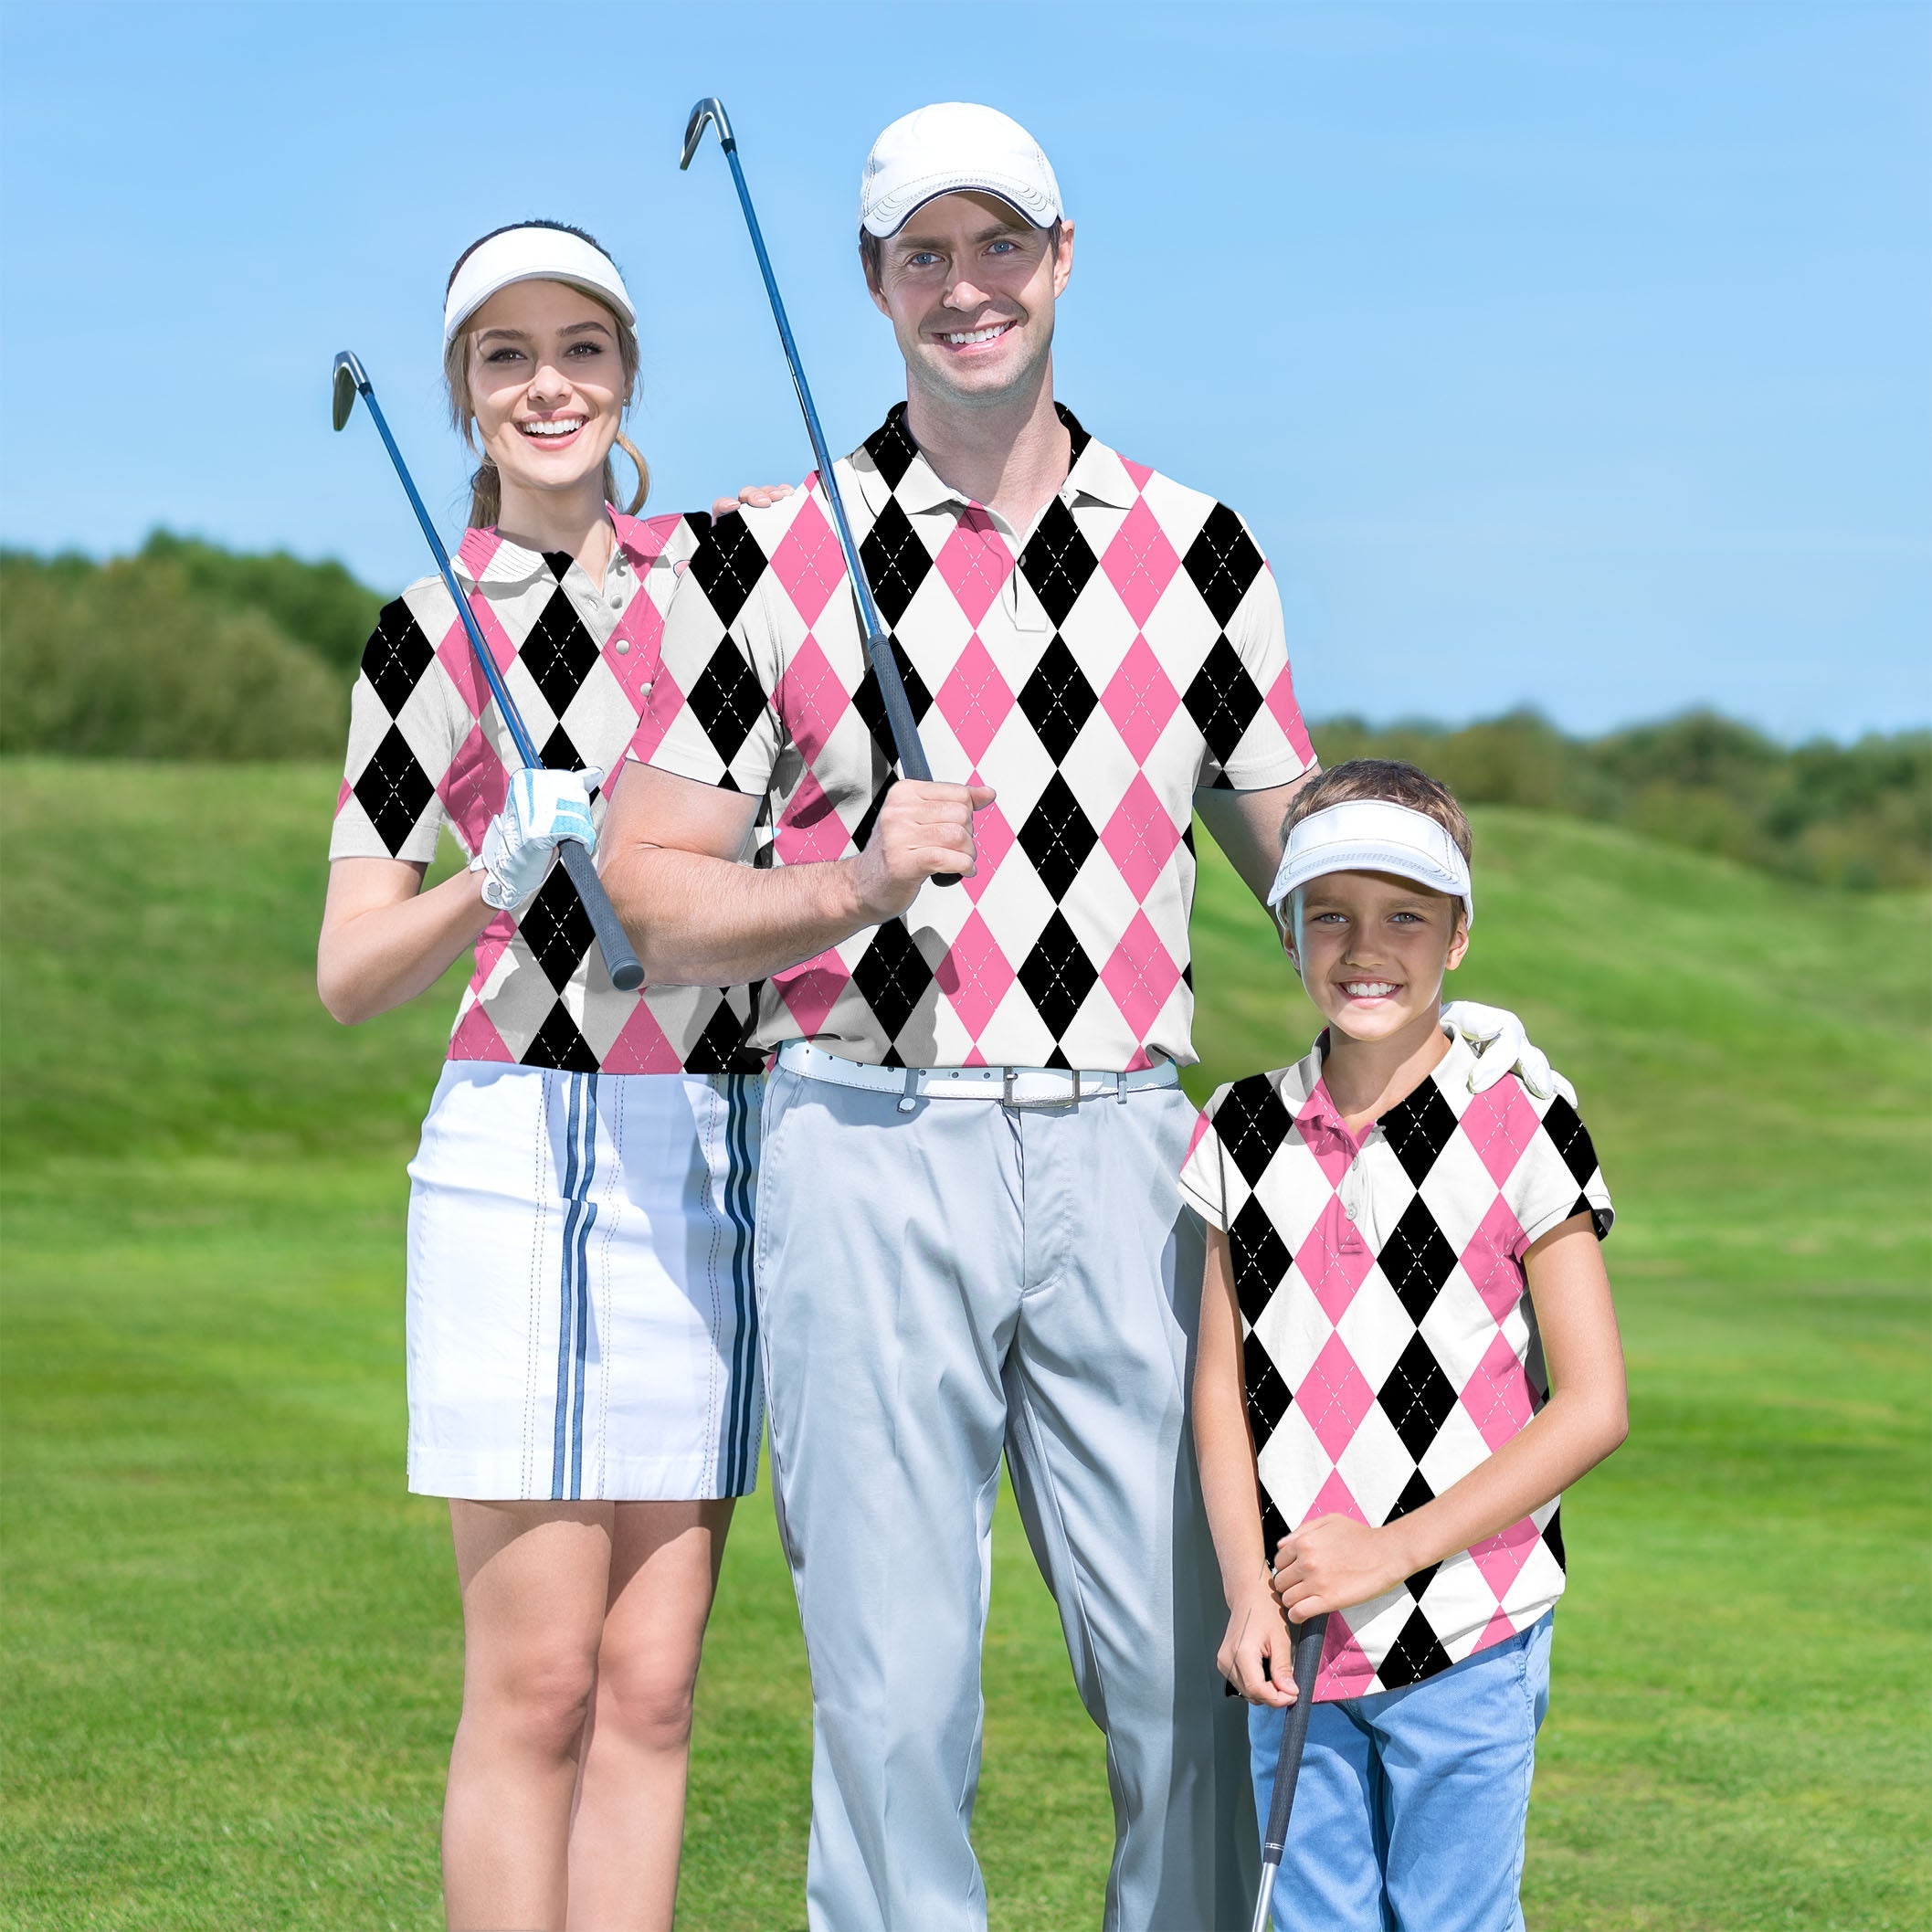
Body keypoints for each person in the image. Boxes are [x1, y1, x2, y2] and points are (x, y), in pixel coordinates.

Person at [603, 106, 1557, 1931]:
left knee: (1199, 1671)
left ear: (1060, 257)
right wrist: (843, 882)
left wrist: (1449, 1006)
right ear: (874, 285)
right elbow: (651, 895)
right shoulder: (765, 550)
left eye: (999, 246)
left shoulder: (1198, 551)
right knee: (893, 1700)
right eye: (922, 255)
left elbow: (1304, 864)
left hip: (1134, 1154)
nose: (967, 288)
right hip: (860, 1139)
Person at [317, 220, 785, 1932]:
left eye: (579, 349)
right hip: (514, 1148)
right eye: (506, 356)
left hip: (699, 1149)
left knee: (653, 1685)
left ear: (627, 376)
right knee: (537, 1685)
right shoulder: (417, 635)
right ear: (463, 393)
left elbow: (755, 865)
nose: (548, 385)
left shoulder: (721, 597)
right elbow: (350, 971)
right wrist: (481, 882)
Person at [1184, 759, 1629, 1931]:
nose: (1363, 946)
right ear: (1286, 929)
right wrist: (1245, 1593)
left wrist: (1389, 1554)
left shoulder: (1524, 1119)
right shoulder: (1239, 1128)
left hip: (1469, 1625)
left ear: (1458, 938)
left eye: (1404, 916)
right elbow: (1220, 1391)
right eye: (1328, 912)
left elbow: (1592, 1406)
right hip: (1296, 1632)